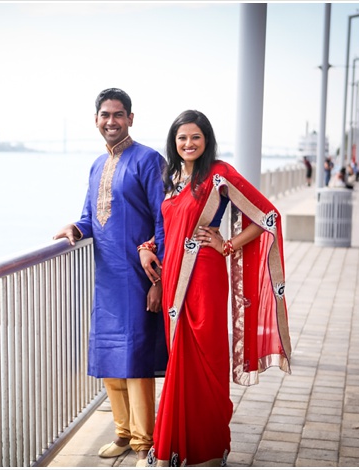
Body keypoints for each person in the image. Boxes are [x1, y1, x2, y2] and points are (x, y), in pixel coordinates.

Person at [144, 110, 292, 466]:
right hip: (173, 284)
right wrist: (147, 248)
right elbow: (169, 227)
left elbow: (267, 216)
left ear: (206, 139)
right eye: (182, 138)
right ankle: (174, 446)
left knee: (206, 359)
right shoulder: (172, 176)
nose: (188, 144)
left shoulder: (219, 175)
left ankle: (209, 448)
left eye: (195, 137)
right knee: (178, 359)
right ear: (174, 142)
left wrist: (227, 245)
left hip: (205, 276)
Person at [53, 88, 168, 466]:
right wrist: (75, 227)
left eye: (118, 114)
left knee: (135, 360)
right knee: (109, 357)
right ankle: (122, 432)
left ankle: (143, 443)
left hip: (139, 279)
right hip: (107, 283)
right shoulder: (95, 166)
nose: (111, 121)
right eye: (105, 115)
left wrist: (158, 281)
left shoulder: (149, 160)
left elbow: (163, 221)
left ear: (131, 118)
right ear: (97, 120)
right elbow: (90, 217)